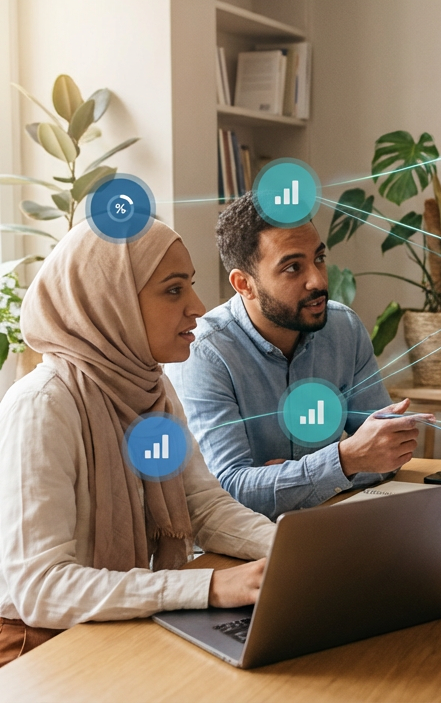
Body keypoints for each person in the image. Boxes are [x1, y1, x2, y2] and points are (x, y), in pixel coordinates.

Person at [0, 221, 276, 668]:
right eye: (173, 291)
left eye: (191, 286)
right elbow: (40, 589)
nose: (198, 307)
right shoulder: (42, 405)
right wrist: (206, 587)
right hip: (36, 647)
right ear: (111, 301)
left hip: (113, 626)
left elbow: (202, 506)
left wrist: (288, 549)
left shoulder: (152, 390)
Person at [167, 196, 427, 519]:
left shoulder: (343, 328)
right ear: (244, 284)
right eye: (293, 267)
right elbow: (226, 494)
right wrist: (344, 460)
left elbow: (388, 453)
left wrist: (288, 479)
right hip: (240, 553)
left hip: (327, 524)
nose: (318, 280)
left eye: (319, 258)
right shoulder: (205, 352)